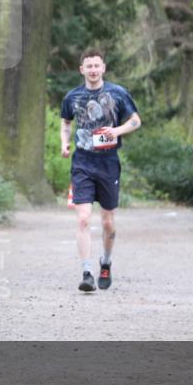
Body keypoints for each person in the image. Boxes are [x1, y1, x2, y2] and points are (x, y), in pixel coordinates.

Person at [60, 49, 141, 292]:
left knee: (108, 222)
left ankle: (105, 262)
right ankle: (86, 272)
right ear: (81, 69)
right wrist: (64, 142)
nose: (93, 70)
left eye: (97, 65)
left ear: (103, 68)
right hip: (82, 163)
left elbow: (136, 120)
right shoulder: (72, 97)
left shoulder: (117, 93)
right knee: (83, 218)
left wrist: (117, 131)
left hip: (108, 163)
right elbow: (66, 122)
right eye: (89, 66)